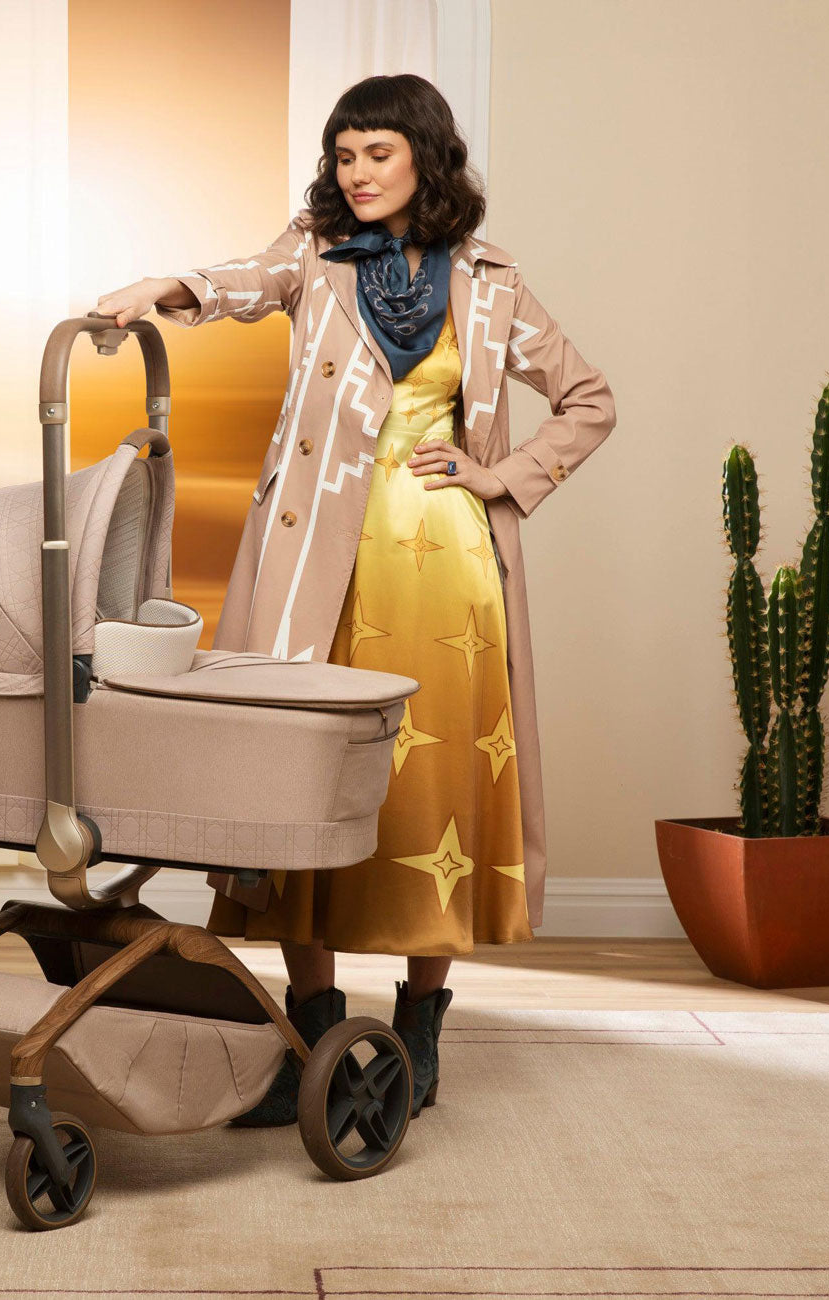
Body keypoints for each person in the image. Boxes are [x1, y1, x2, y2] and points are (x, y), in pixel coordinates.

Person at [94, 74, 614, 1127]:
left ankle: (419, 1030)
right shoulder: (316, 254)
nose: (359, 173)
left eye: (379, 152)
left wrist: (497, 476)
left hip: (447, 568)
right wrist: (163, 287)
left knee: (435, 782)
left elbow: (588, 399)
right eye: (344, 155)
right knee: (302, 769)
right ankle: (310, 1031)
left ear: (427, 155)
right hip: (313, 565)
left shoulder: (491, 282)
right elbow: (240, 281)